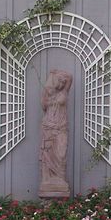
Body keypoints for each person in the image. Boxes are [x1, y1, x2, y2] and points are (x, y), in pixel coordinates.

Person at [39, 69, 72, 197]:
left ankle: (60, 180)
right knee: (47, 155)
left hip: (61, 128)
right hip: (48, 127)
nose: (62, 84)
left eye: (63, 82)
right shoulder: (47, 95)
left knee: (61, 154)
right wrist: (50, 88)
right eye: (59, 81)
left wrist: (54, 72)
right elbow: (43, 106)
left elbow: (69, 77)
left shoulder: (64, 92)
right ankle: (47, 181)